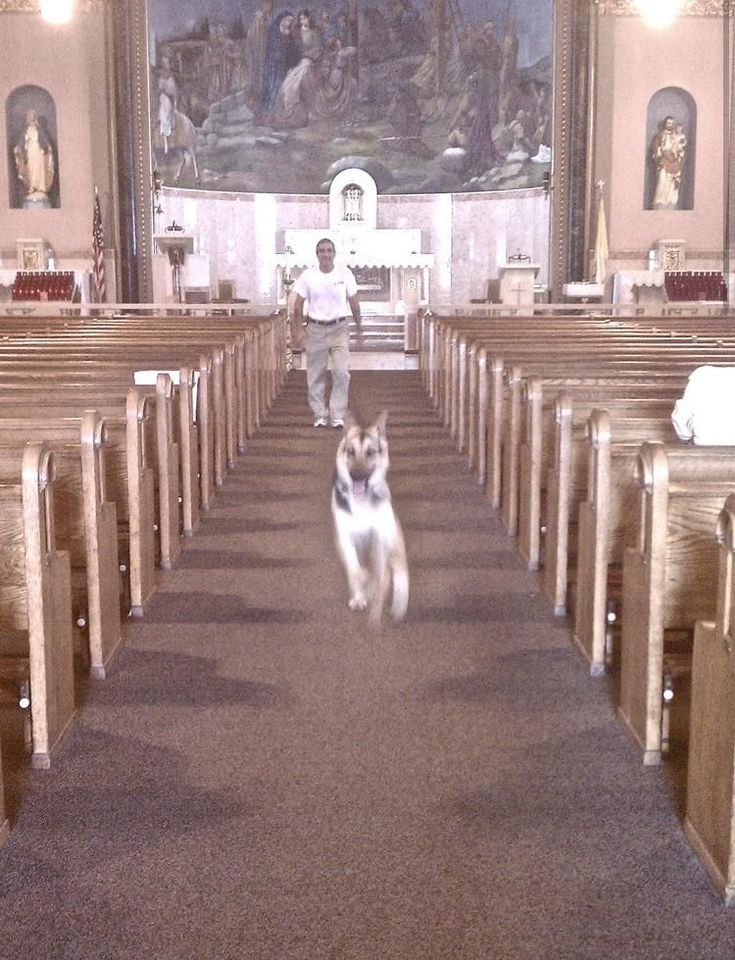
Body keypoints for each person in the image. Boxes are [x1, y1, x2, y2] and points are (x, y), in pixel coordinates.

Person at [292, 238, 362, 428]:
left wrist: (359, 327)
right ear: (317, 254)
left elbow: (354, 302)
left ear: (334, 253)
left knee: (341, 371)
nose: (326, 254)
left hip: (339, 328)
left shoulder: (345, 274)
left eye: (329, 250)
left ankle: (337, 413)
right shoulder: (308, 276)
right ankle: (319, 414)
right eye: (322, 251)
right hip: (315, 329)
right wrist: (297, 331)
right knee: (315, 374)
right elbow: (297, 306)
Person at [671, 365, 735, 445]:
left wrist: (685, 437)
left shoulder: (703, 374)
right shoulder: (703, 374)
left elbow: (681, 419)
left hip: (704, 448)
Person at [13, 109, 55, 201]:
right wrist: (18, 148)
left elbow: (45, 142)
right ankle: (32, 186)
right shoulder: (25, 131)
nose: (31, 119)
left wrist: (47, 148)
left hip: (38, 153)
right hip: (29, 153)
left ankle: (41, 186)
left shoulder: (40, 131)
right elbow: (21, 143)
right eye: (29, 116)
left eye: (32, 116)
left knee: (39, 169)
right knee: (31, 169)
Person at [650, 115, 685, 210]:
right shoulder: (660, 136)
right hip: (664, 162)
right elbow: (656, 149)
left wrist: (679, 154)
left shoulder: (676, 136)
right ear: (665, 124)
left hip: (674, 163)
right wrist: (660, 157)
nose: (670, 125)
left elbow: (680, 149)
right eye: (668, 123)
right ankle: (660, 202)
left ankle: (671, 202)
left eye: (671, 123)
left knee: (672, 184)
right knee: (662, 181)